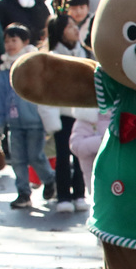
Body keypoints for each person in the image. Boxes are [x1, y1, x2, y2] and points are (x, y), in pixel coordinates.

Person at [0, 22, 54, 208]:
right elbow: (1, 98)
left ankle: (50, 179)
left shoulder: (32, 65)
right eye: (7, 41)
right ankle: (23, 192)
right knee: (17, 159)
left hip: (34, 121)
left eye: (14, 40)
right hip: (13, 123)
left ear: (25, 41)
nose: (10, 45)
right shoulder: (3, 70)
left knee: (35, 156)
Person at [45, 12, 90, 213]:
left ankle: (80, 194)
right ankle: (63, 195)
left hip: (83, 113)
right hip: (62, 114)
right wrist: (50, 121)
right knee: (63, 156)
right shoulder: (52, 58)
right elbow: (47, 91)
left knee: (82, 154)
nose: (74, 29)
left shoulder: (85, 54)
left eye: (75, 25)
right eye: (69, 26)